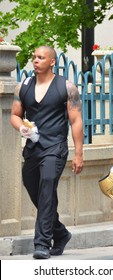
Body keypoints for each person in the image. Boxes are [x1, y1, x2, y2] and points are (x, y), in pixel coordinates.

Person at [10, 46, 84, 259]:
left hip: (55, 148)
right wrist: (22, 128)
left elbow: (76, 120)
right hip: (33, 149)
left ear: (52, 62)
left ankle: (42, 243)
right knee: (36, 189)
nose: (35, 61)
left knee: (47, 188)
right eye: (34, 57)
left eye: (41, 58)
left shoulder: (67, 87)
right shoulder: (22, 87)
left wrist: (78, 153)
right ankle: (60, 233)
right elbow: (15, 115)